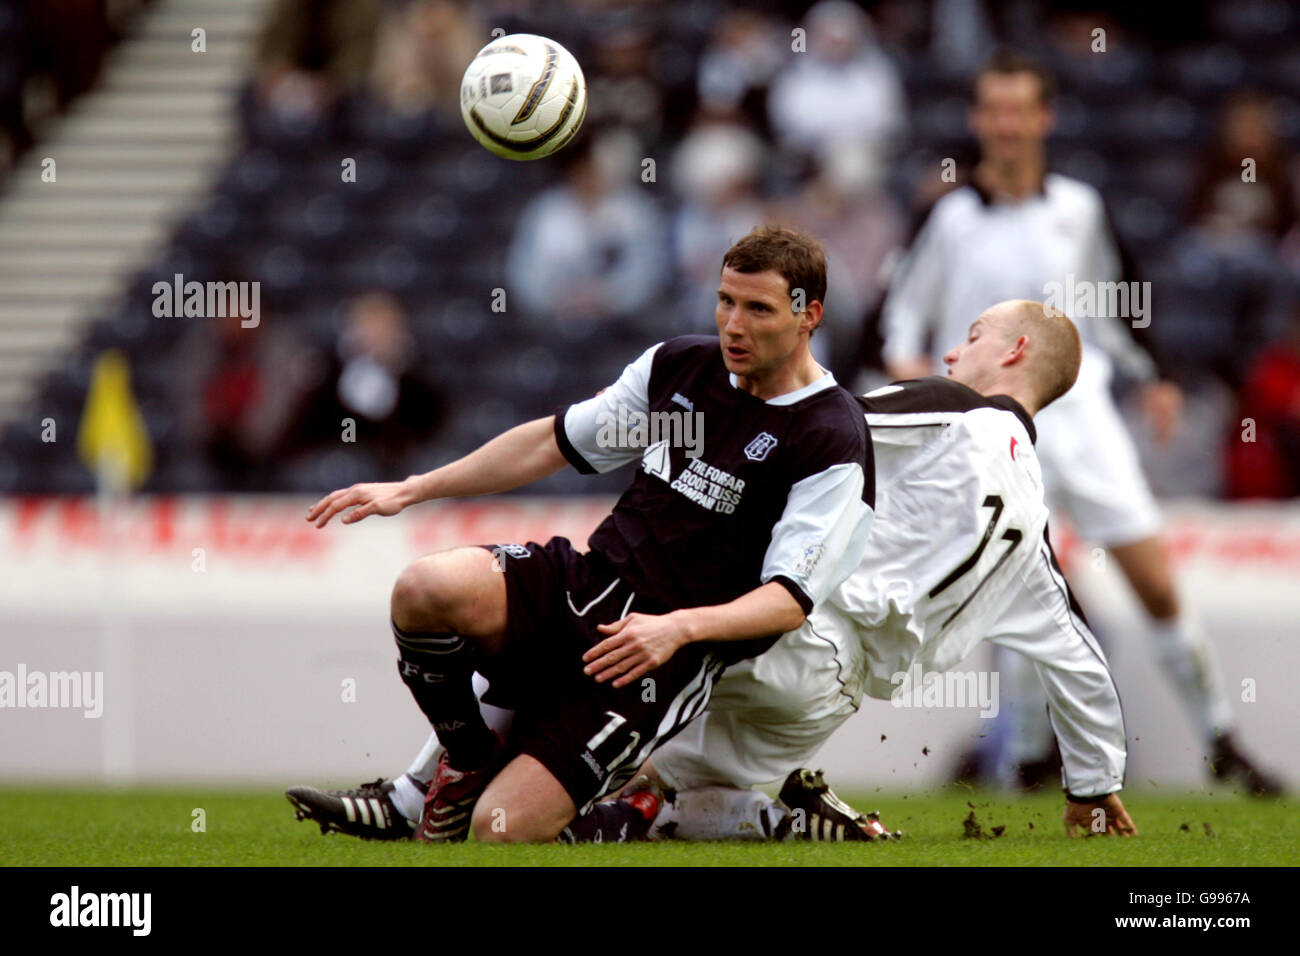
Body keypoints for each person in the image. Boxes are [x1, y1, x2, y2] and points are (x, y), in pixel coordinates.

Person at [287, 299, 1138, 843]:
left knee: (579, 653)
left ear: (1017, 349)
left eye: (975, 335)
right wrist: (1092, 784)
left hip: (773, 625)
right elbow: (1078, 661)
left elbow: (821, 419)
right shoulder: (1034, 529)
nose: (954, 352)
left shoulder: (952, 410)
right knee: (665, 790)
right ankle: (785, 823)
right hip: (833, 695)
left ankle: (409, 798)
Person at [290, 226, 875, 843]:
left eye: (758, 309)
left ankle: (652, 814)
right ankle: (464, 761)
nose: (734, 324)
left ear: (809, 315)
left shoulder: (831, 435)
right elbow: (551, 441)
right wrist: (412, 488)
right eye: (726, 300)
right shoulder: (680, 365)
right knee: (423, 588)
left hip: (661, 653)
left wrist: (678, 628)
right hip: (588, 583)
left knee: (501, 831)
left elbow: (787, 600)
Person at [877, 50, 1279, 795]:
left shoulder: (1080, 208)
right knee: (1019, 589)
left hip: (1084, 414)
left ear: (1044, 118)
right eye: (991, 110)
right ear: (977, 120)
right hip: (992, 425)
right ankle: (1029, 758)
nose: (1004, 124)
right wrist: (912, 373)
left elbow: (1118, 298)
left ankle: (1221, 741)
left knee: (1154, 583)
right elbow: (900, 315)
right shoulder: (949, 216)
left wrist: (1152, 376)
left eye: (1018, 109)